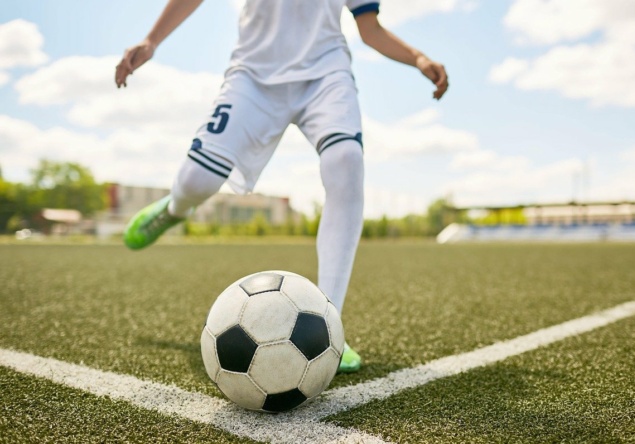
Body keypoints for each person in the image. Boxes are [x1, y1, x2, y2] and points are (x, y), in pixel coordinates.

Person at [115, 0, 448, 373]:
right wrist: (151, 40)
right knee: (197, 180)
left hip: (325, 75)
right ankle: (175, 208)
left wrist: (418, 58)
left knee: (346, 163)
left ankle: (329, 326)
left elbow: (369, 28)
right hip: (253, 77)